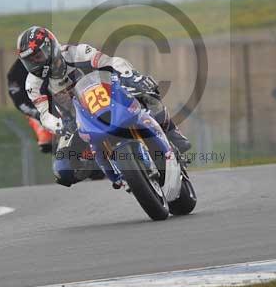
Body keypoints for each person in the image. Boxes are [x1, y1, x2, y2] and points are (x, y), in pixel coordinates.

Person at [16, 25, 190, 187]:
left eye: (37, 57)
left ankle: (173, 134)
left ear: (50, 47)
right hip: (74, 121)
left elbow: (112, 62)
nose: (34, 64)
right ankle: (102, 164)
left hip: (107, 99)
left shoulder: (77, 53)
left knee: (147, 92)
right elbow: (44, 115)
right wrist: (60, 125)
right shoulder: (33, 83)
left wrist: (130, 76)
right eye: (28, 61)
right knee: (63, 171)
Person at [6, 58, 56, 153]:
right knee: (46, 142)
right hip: (39, 109)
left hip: (64, 98)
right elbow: (20, 102)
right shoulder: (15, 73)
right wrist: (38, 114)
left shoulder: (57, 56)